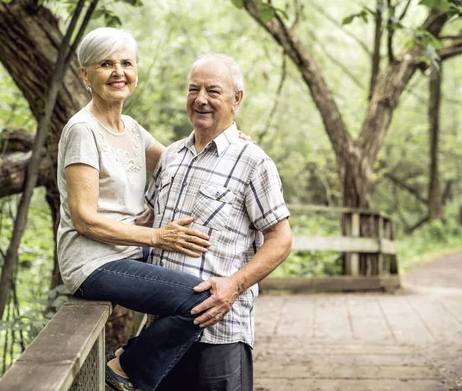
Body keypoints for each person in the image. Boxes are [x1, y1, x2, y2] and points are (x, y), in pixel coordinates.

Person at [57, 28, 227, 391]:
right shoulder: (82, 132)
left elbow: (182, 162)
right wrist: (158, 236)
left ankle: (130, 369)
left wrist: (227, 136)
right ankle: (128, 370)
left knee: (205, 291)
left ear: (135, 71)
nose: (118, 72)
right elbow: (84, 219)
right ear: (86, 75)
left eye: (126, 63)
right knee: (204, 297)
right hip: (92, 262)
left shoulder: (131, 130)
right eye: (106, 64)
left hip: (129, 255)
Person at [143, 54, 293, 391]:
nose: (201, 99)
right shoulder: (171, 158)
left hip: (219, 332)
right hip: (161, 332)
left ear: (236, 99)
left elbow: (281, 239)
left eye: (213, 91)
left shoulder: (253, 162)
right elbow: (146, 225)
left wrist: (234, 286)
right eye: (193, 90)